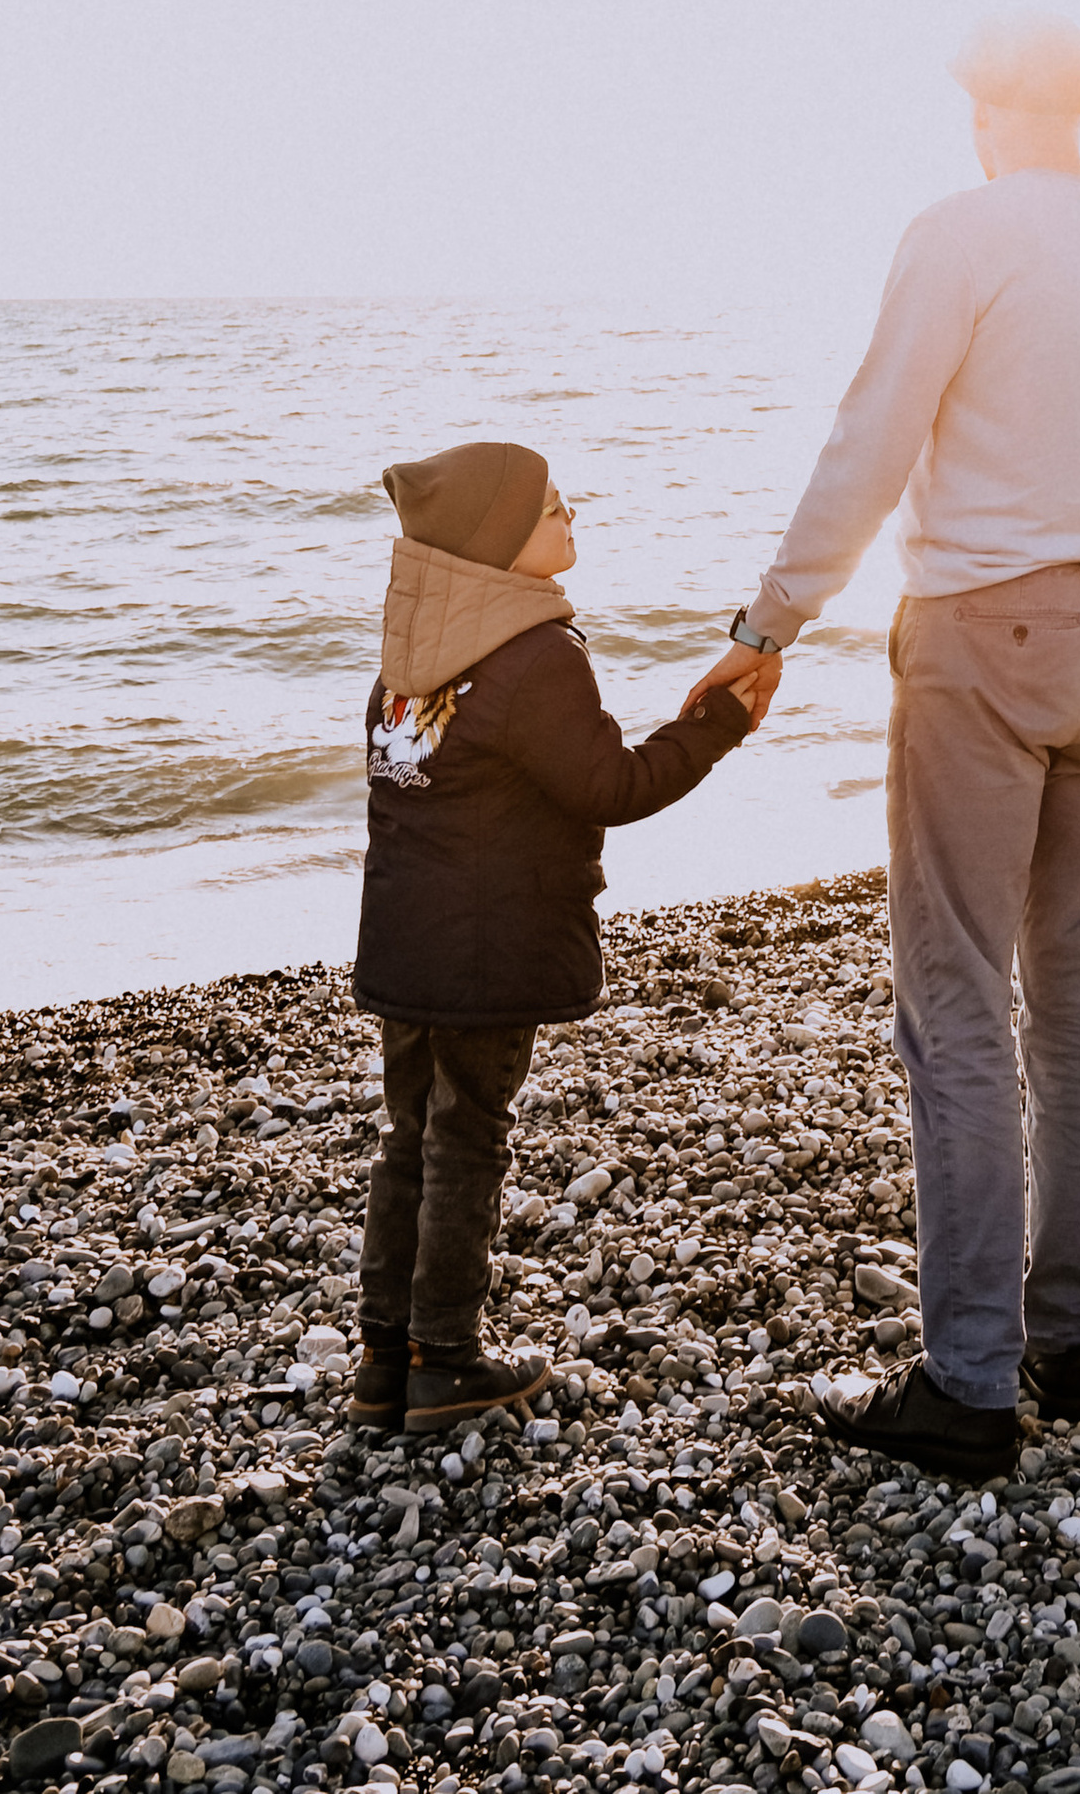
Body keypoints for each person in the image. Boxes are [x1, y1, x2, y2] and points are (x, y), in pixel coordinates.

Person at [686, 12, 1080, 1478]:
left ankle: (969, 1379)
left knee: (958, 990)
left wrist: (771, 619)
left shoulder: (964, 231)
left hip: (989, 628)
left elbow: (875, 436)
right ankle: (1063, 1334)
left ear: (983, 108)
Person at [352, 435, 757, 1434]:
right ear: (498, 542)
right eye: (549, 507)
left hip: (405, 936)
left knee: (413, 1132)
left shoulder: (411, 660)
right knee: (467, 1134)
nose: (570, 515)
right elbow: (610, 785)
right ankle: (444, 1357)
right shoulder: (533, 657)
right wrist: (715, 724)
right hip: (489, 946)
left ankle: (383, 1360)